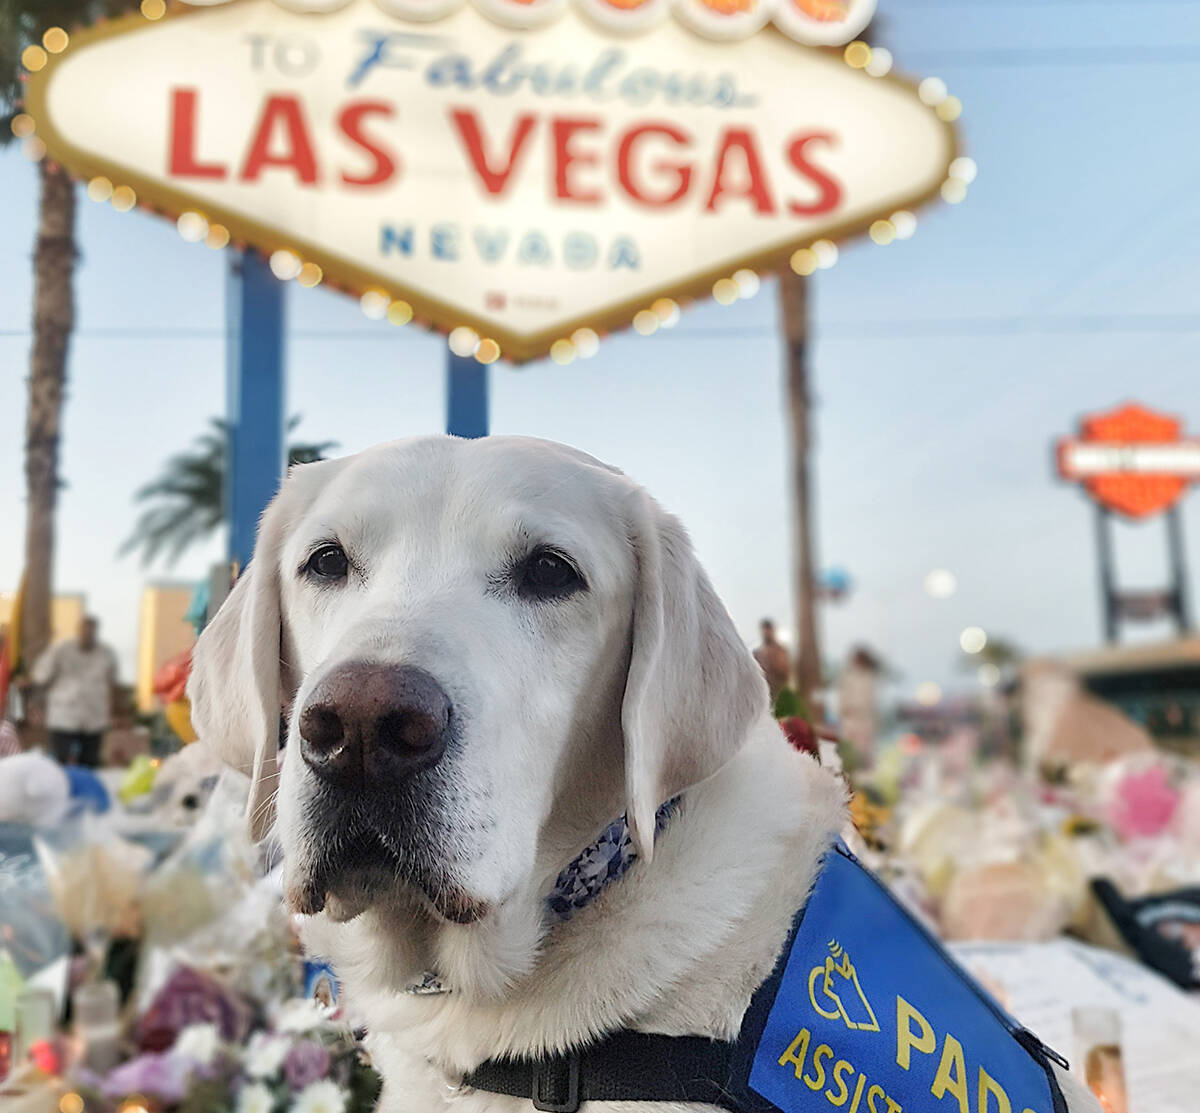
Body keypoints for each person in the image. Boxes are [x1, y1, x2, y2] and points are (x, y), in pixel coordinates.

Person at [31, 615, 120, 768]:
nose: (87, 634)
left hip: (94, 717)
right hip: (64, 716)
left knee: (89, 763)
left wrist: (115, 713)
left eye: (91, 631)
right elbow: (41, 677)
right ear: (78, 631)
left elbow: (113, 683)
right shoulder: (60, 649)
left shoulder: (106, 653)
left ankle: (85, 791)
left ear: (96, 632)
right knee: (61, 762)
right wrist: (37, 704)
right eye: (84, 630)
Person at [752, 619, 791, 700]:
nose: (766, 633)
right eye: (764, 631)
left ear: (773, 631)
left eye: (768, 630)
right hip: (763, 695)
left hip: (779, 694)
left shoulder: (781, 651)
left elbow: (785, 673)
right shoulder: (757, 653)